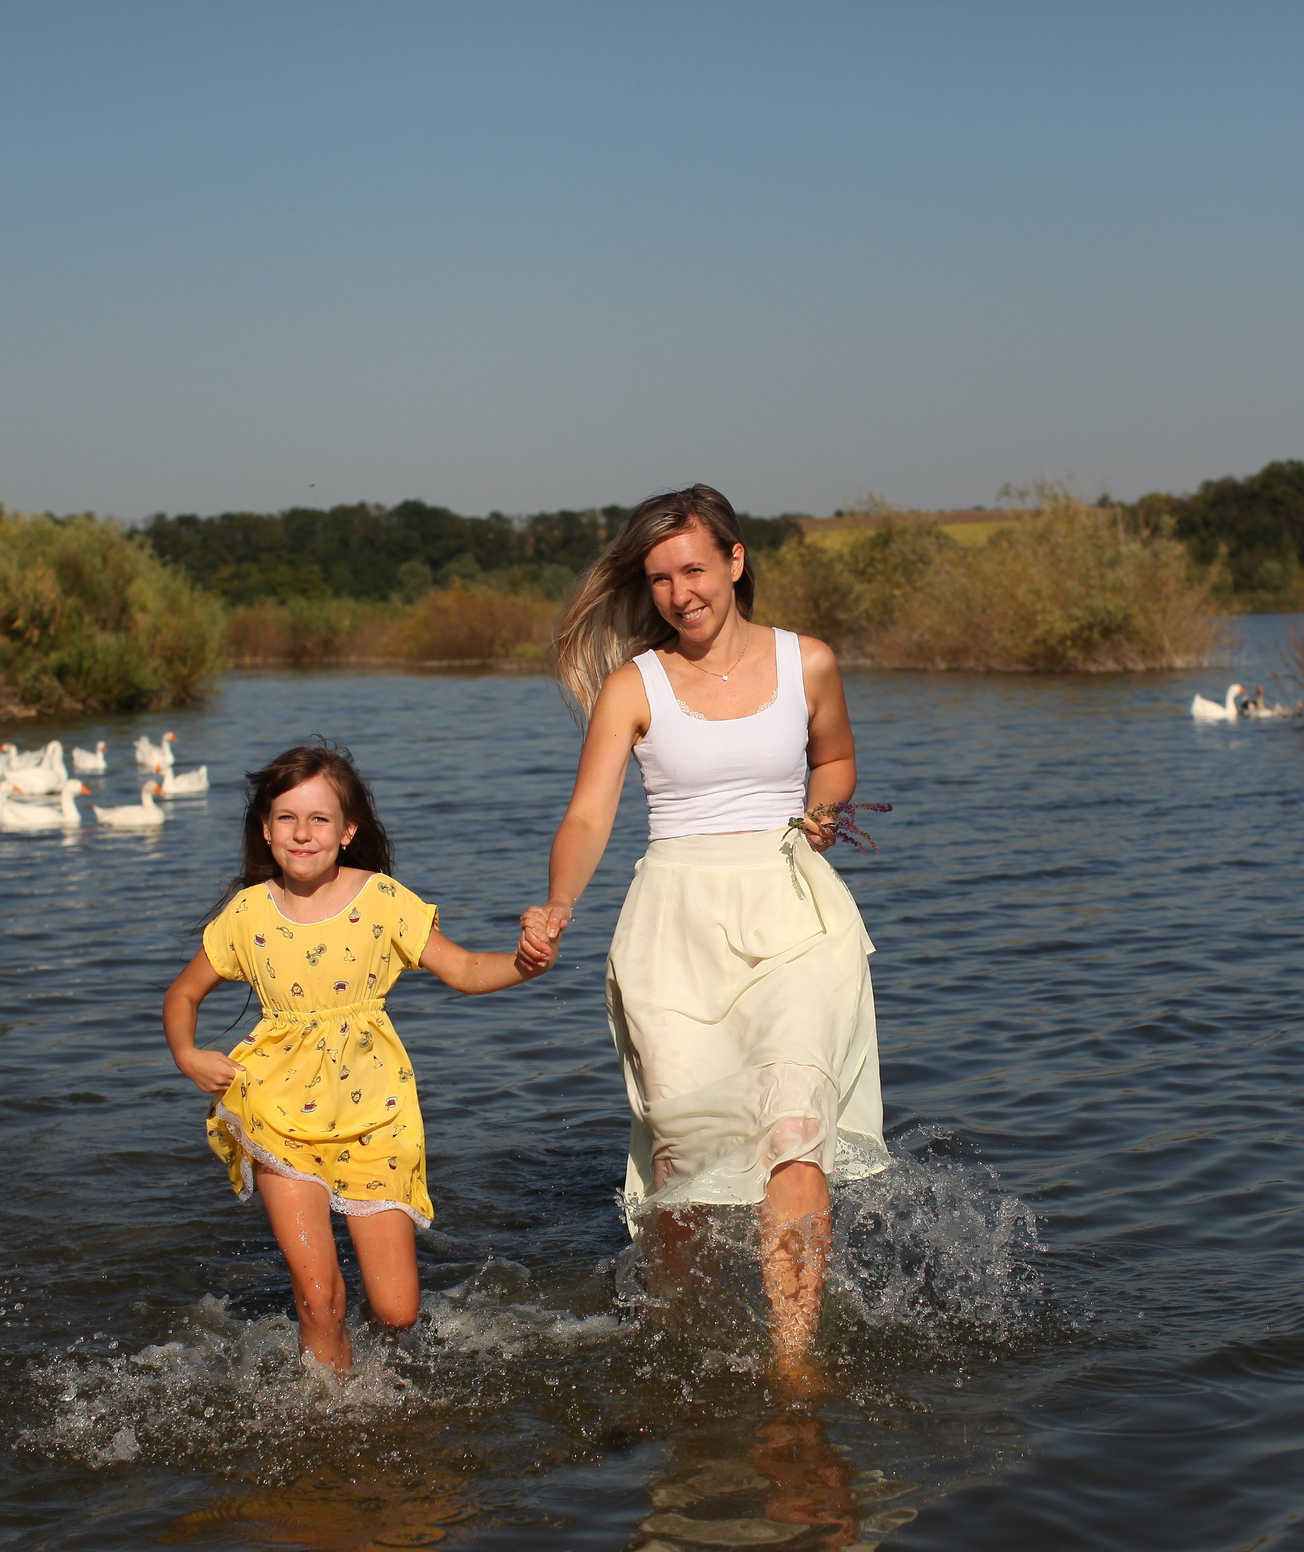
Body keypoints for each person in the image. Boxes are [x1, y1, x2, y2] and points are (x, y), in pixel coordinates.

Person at [520, 485, 890, 1379]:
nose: (680, 592)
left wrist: (822, 808)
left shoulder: (808, 662)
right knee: (684, 1156)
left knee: (794, 1127)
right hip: (675, 930)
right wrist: (556, 905)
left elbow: (836, 757)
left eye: (694, 569)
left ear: (735, 559)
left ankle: (793, 1363)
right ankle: (676, 1332)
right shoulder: (633, 686)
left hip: (793, 912)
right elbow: (588, 815)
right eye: (660, 578)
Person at [164, 742, 555, 1376]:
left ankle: (376, 1385)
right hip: (277, 1111)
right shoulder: (248, 913)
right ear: (265, 830)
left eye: (319, 819)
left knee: (397, 1311)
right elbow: (182, 994)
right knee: (319, 1298)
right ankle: (326, 1409)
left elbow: (462, 969)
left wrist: (525, 963)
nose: (302, 833)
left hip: (376, 1111)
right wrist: (187, 1053)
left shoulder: (383, 900)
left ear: (347, 831)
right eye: (287, 818)